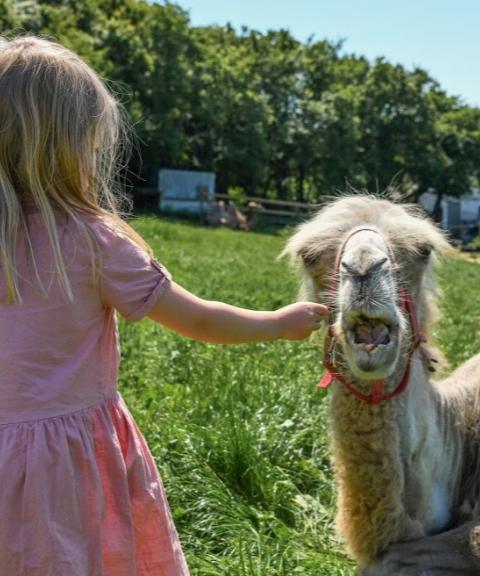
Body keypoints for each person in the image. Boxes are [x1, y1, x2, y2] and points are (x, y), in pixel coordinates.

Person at [0, 36, 327, 575]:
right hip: (69, 464)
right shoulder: (92, 241)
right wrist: (279, 323)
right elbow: (198, 319)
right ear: (71, 145)